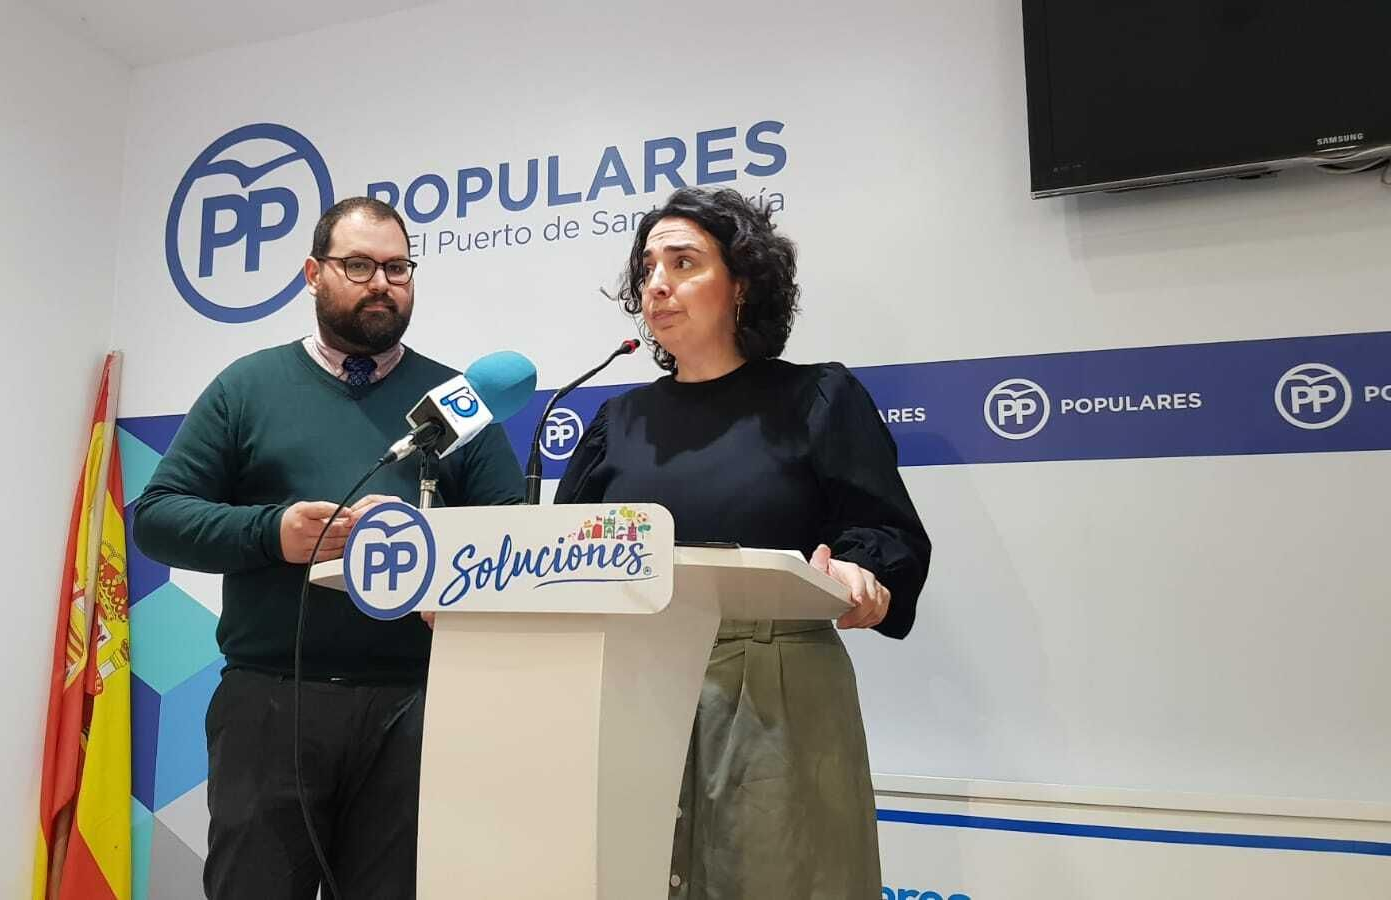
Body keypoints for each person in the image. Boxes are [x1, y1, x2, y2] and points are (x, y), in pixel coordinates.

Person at [133, 197, 525, 900]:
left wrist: (448, 574)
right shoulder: (247, 388)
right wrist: (272, 533)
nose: (382, 283)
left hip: (416, 708)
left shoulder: (459, 403)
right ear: (313, 273)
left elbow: (508, 544)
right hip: (270, 704)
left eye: (398, 267)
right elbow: (159, 518)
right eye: (359, 265)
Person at [555, 187, 930, 899]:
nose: (656, 283)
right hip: (633, 686)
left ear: (742, 286)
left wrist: (861, 571)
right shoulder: (616, 419)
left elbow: (885, 532)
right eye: (646, 268)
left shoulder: (816, 398)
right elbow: (565, 555)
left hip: (773, 694)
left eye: (683, 262)